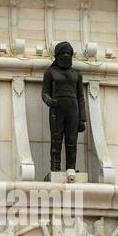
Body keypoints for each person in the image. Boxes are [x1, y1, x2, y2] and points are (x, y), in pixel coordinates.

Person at [42, 41, 86, 177]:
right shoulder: (50, 73)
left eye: (68, 53)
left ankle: (71, 168)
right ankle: (55, 169)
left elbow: (80, 97)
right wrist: (49, 100)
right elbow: (45, 92)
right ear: (57, 56)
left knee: (72, 140)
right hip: (57, 110)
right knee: (56, 140)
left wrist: (82, 118)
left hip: (73, 110)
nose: (66, 56)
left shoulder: (77, 74)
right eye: (63, 53)